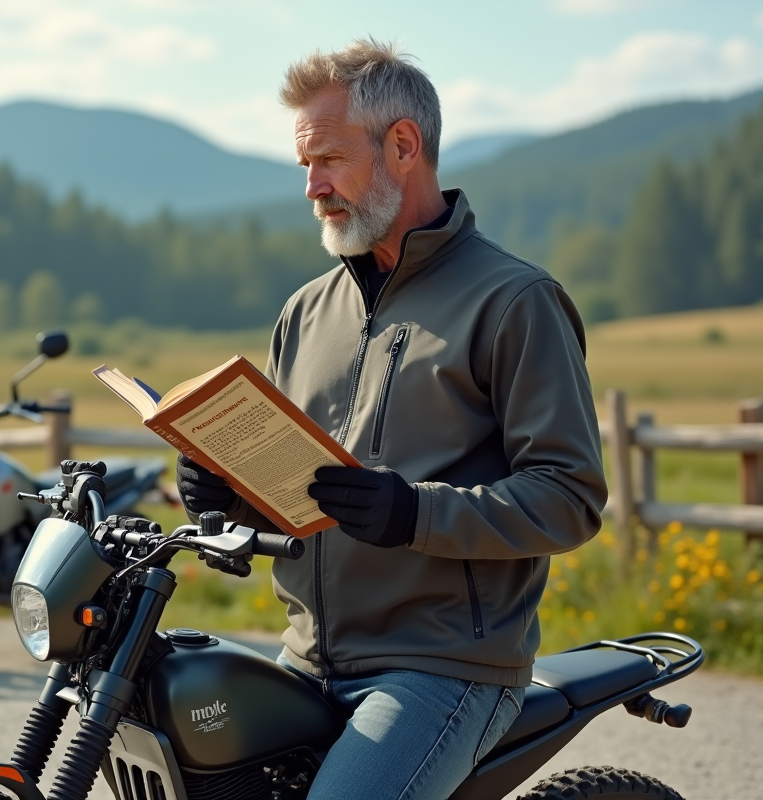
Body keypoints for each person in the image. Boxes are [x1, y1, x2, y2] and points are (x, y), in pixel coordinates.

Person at [175, 38, 607, 799]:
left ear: (402, 145)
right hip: (305, 657)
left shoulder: (514, 301)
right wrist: (228, 494)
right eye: (304, 166)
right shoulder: (306, 312)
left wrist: (414, 512)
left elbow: (569, 498)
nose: (312, 187)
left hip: (443, 669)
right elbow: (310, 493)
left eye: (329, 160)